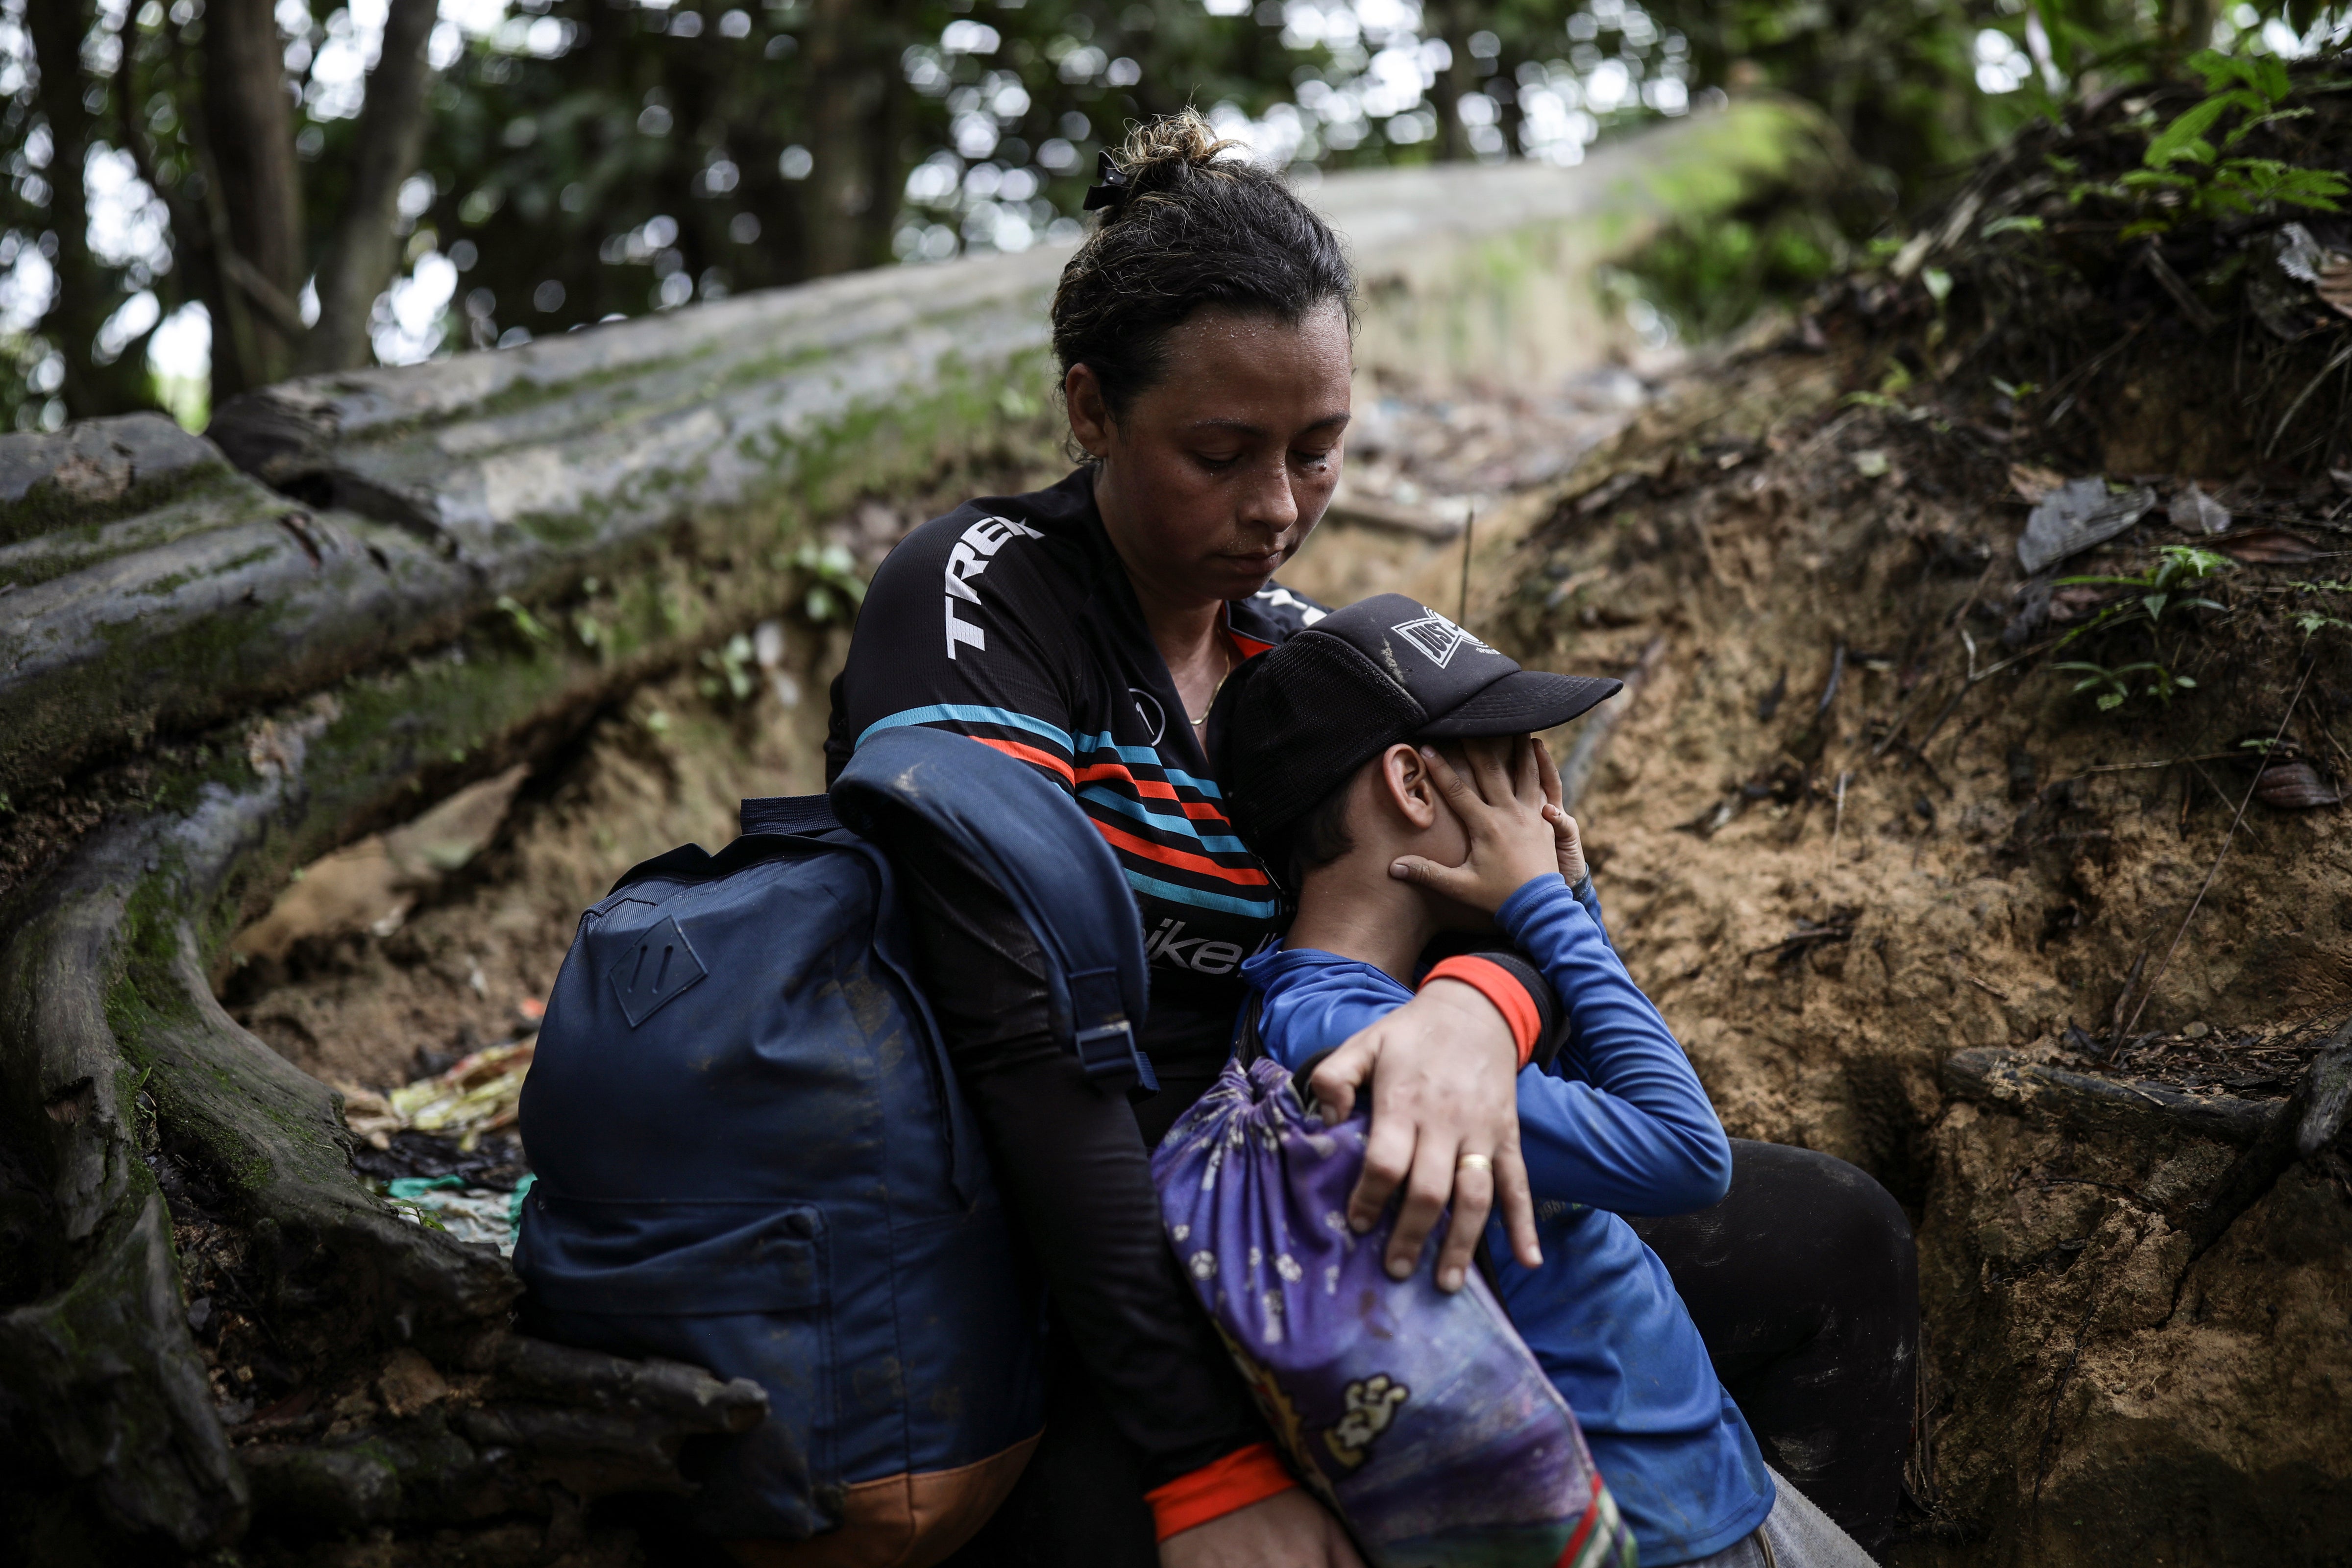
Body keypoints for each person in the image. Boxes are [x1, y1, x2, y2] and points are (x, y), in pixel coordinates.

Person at [825, 110, 1916, 1564]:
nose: (1276, 510)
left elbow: (1503, 877)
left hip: (1355, 1205)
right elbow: (1022, 1048)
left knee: (1832, 1238)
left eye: (1319, 454)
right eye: (1219, 454)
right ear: (1090, 411)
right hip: (1094, 1251)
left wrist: (1478, 1007)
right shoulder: (987, 599)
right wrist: (1206, 1462)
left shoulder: (1307, 660)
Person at [1217, 594, 1880, 1568]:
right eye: (1513, 762)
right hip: (1645, 1519)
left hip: (1690, 1470)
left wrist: (1559, 901)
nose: (1546, 802)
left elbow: (1598, 1085)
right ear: (1413, 783)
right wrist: (1547, 909)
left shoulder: (1373, 991)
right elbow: (1685, 1152)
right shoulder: (1358, 1042)